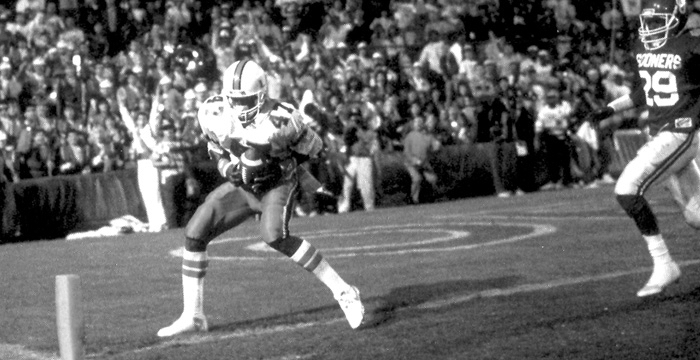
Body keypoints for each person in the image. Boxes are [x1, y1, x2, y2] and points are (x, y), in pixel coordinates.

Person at [157, 60, 364, 337]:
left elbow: (315, 148)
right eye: (235, 101)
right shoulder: (213, 111)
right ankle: (192, 315)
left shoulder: (283, 118)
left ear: (263, 94)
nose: (240, 108)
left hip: (277, 184)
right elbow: (215, 147)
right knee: (196, 230)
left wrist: (277, 163)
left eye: (247, 101)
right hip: (243, 187)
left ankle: (344, 291)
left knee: (273, 235)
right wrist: (227, 168)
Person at [588, 0, 700, 297]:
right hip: (662, 134)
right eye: (647, 23)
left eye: (656, 22)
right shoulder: (643, 48)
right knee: (696, 216)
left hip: (681, 133)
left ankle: (664, 264)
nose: (650, 29)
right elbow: (643, 91)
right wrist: (610, 108)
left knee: (626, 188)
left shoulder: (692, 46)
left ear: (677, 18)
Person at [403, 115, 440, 204]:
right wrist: (414, 160)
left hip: (424, 163)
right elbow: (407, 153)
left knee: (433, 179)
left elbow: (434, 147)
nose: (418, 124)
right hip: (411, 163)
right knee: (417, 179)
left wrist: (437, 146)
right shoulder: (409, 136)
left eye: (420, 123)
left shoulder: (428, 136)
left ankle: (431, 197)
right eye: (416, 123)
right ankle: (413, 199)